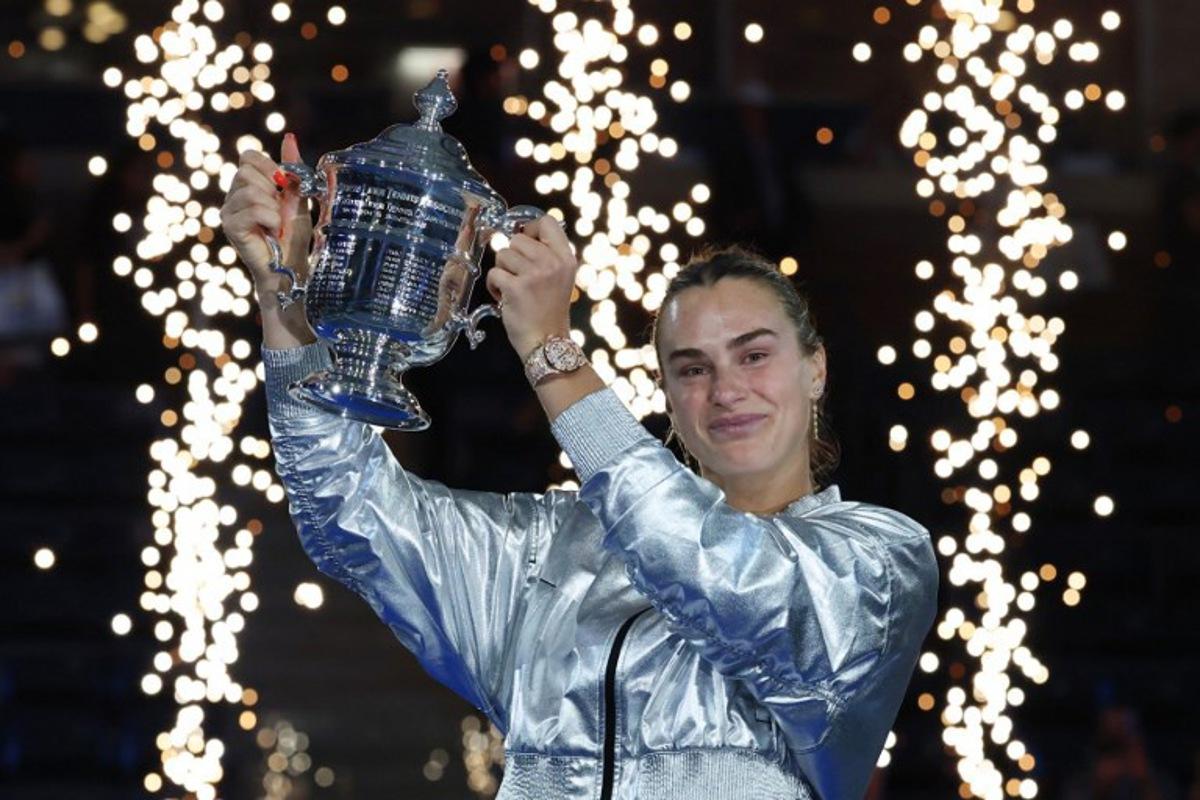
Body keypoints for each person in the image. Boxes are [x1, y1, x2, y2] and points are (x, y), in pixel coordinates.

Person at [220, 134, 939, 800]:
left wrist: (549, 352)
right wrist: (282, 299)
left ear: (815, 369)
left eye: (754, 355)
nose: (726, 390)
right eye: (692, 368)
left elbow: (717, 570)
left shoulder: (877, 564)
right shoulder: (557, 548)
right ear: (666, 395)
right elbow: (351, 508)